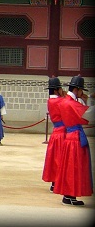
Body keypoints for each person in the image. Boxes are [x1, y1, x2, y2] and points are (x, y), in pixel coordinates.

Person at [53, 75, 93, 206]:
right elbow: (87, 115)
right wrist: (90, 101)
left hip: (70, 135)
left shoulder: (65, 101)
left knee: (69, 167)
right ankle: (70, 194)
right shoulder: (72, 103)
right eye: (81, 91)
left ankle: (68, 195)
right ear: (77, 89)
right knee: (75, 167)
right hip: (75, 137)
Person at [42, 76, 66, 193]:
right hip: (62, 132)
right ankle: (58, 182)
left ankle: (54, 183)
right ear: (56, 90)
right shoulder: (61, 101)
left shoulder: (50, 101)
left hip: (56, 131)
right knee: (61, 159)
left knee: (55, 159)